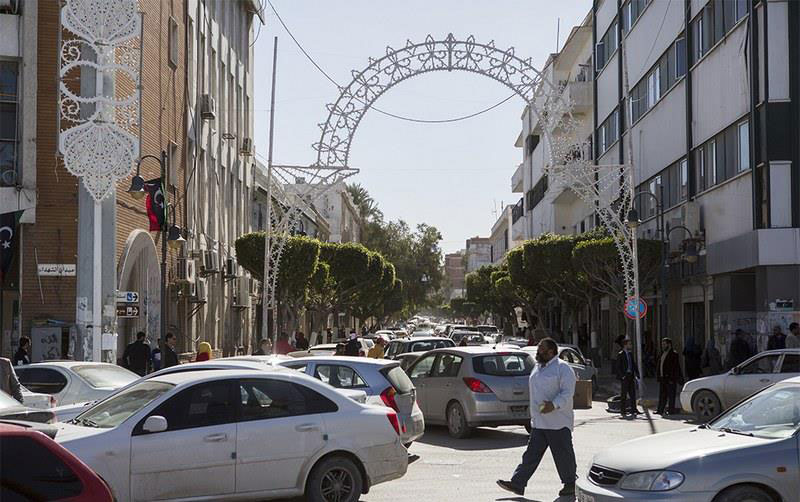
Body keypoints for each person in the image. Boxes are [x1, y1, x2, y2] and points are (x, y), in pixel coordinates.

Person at [496, 338, 577, 498]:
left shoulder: (562, 368)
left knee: (563, 455)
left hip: (558, 422)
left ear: (551, 351)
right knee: (531, 455)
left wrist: (554, 405)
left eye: (542, 349)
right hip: (539, 422)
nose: (538, 351)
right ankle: (518, 483)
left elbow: (567, 393)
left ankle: (570, 484)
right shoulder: (538, 367)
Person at [614, 337, 640, 417]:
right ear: (625, 345)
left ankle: (634, 409)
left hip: (631, 376)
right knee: (624, 394)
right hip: (625, 376)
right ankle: (623, 410)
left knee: (633, 394)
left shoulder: (630, 354)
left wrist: (637, 373)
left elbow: (633, 364)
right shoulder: (620, 354)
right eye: (629, 344)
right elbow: (618, 367)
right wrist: (622, 376)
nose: (631, 345)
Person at [656, 338, 682, 415]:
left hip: (670, 379)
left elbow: (675, 368)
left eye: (664, 344)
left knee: (671, 396)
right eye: (662, 344)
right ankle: (660, 410)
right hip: (662, 378)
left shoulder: (674, 354)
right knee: (662, 395)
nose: (663, 346)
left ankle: (671, 411)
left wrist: (672, 378)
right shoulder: (662, 353)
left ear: (669, 344)